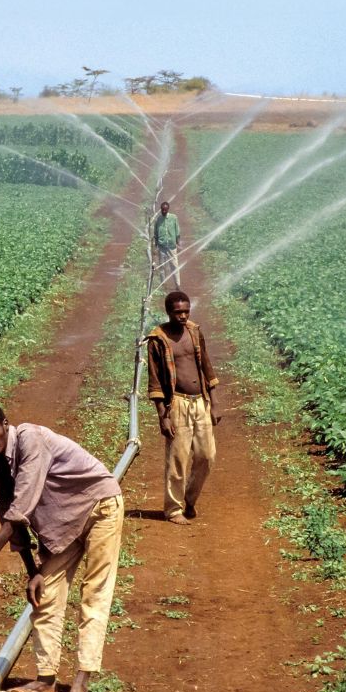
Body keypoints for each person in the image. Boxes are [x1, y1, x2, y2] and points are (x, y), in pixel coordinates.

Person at [0, 401, 124, 692]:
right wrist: (32, 572)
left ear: (5, 424)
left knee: (94, 594)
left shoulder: (31, 439)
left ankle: (81, 680)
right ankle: (46, 681)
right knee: (46, 595)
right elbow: (9, 521)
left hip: (99, 507)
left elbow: (22, 502)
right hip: (61, 525)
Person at [145, 291, 219, 525]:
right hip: (176, 403)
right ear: (168, 312)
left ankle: (189, 498)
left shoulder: (195, 332)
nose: (183, 316)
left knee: (207, 456)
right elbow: (155, 379)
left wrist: (214, 404)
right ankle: (173, 509)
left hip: (201, 401)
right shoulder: (158, 340)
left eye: (186, 311)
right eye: (178, 312)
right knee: (178, 458)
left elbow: (206, 366)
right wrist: (162, 416)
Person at [152, 200, 181, 291]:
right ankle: (163, 285)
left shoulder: (173, 218)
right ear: (160, 209)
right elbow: (156, 234)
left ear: (168, 209)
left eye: (165, 210)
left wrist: (178, 243)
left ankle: (178, 285)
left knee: (174, 266)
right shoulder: (158, 220)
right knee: (162, 267)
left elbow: (177, 231)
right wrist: (155, 247)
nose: (164, 211)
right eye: (162, 210)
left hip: (171, 247)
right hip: (162, 247)